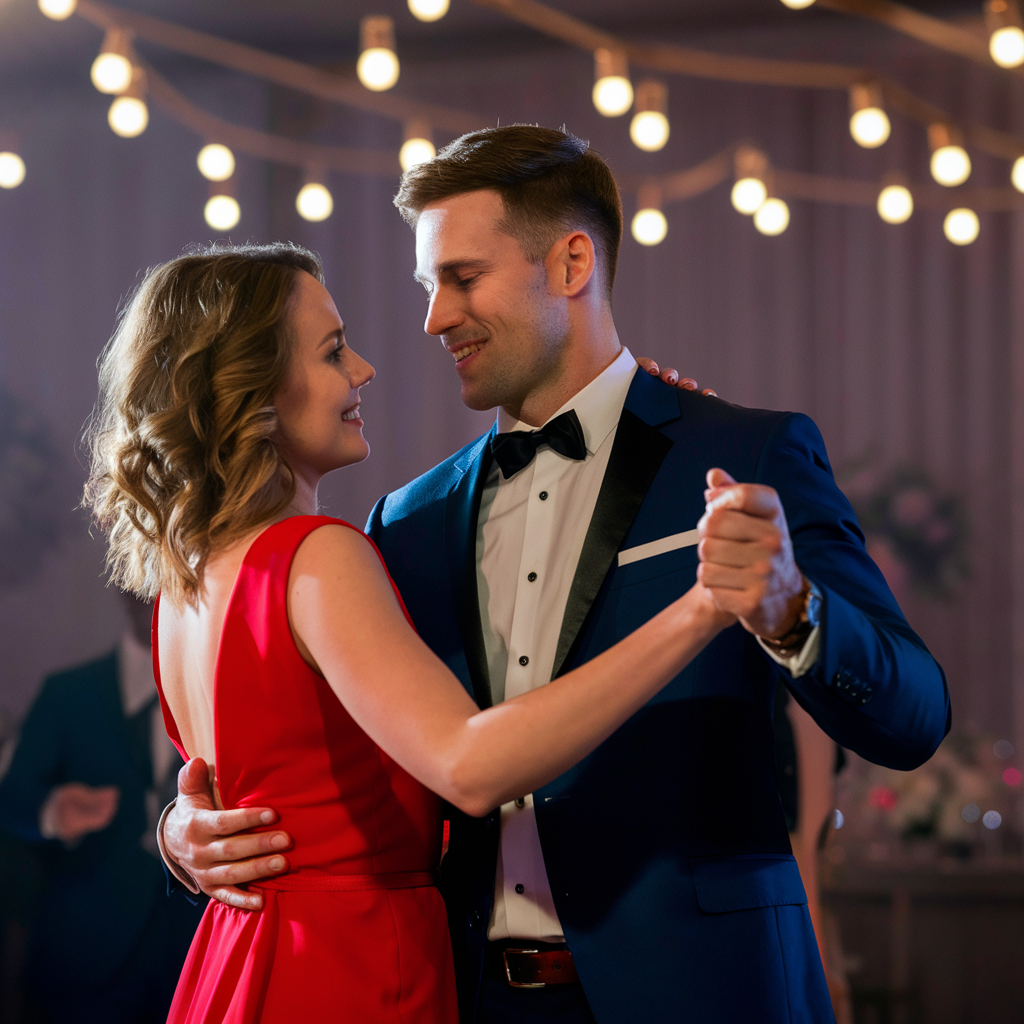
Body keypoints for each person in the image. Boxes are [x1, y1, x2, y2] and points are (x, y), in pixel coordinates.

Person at [162, 127, 951, 1023]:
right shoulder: (403, 522)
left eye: (462, 278)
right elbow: (348, 761)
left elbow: (914, 714)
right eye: (429, 286)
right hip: (467, 997)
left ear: (572, 262)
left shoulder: (746, 451)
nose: (432, 319)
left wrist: (794, 612)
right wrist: (184, 831)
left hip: (704, 991)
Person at [81, 241, 733, 1023]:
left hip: (241, 955)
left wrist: (177, 836)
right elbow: (468, 764)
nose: (363, 370)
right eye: (331, 352)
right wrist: (703, 605)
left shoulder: (187, 581)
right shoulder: (318, 557)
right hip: (348, 964)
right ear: (252, 393)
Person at [0, 590, 204, 1023]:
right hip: (83, 958)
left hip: (194, 958)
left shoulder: (215, 691)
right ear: (124, 590)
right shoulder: (67, 694)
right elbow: (12, 798)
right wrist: (52, 812)